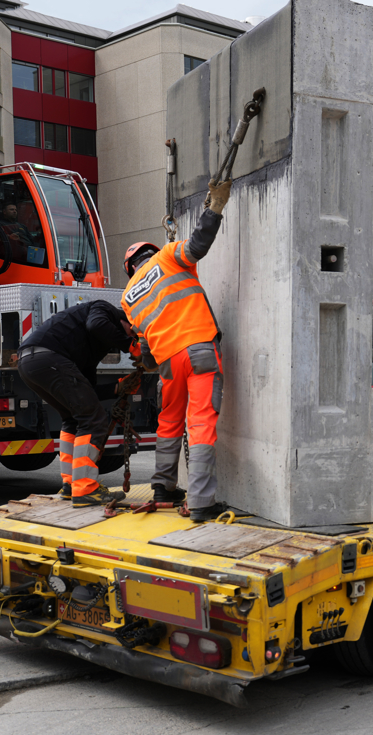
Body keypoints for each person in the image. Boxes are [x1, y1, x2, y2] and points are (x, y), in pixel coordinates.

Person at [121, 178, 231, 522]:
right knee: (199, 422)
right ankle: (200, 502)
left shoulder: (128, 298)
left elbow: (144, 350)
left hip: (169, 362)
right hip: (199, 348)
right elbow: (197, 246)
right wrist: (216, 208)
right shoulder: (167, 257)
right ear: (150, 253)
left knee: (169, 421)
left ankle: (163, 487)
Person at [15, 300, 133, 507]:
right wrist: (132, 346)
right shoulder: (103, 309)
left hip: (29, 363)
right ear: (125, 320)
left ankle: (71, 485)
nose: (129, 338)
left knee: (73, 418)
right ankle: (85, 488)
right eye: (132, 332)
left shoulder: (90, 346)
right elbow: (97, 325)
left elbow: (88, 388)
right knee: (93, 420)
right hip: (48, 358)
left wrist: (116, 388)